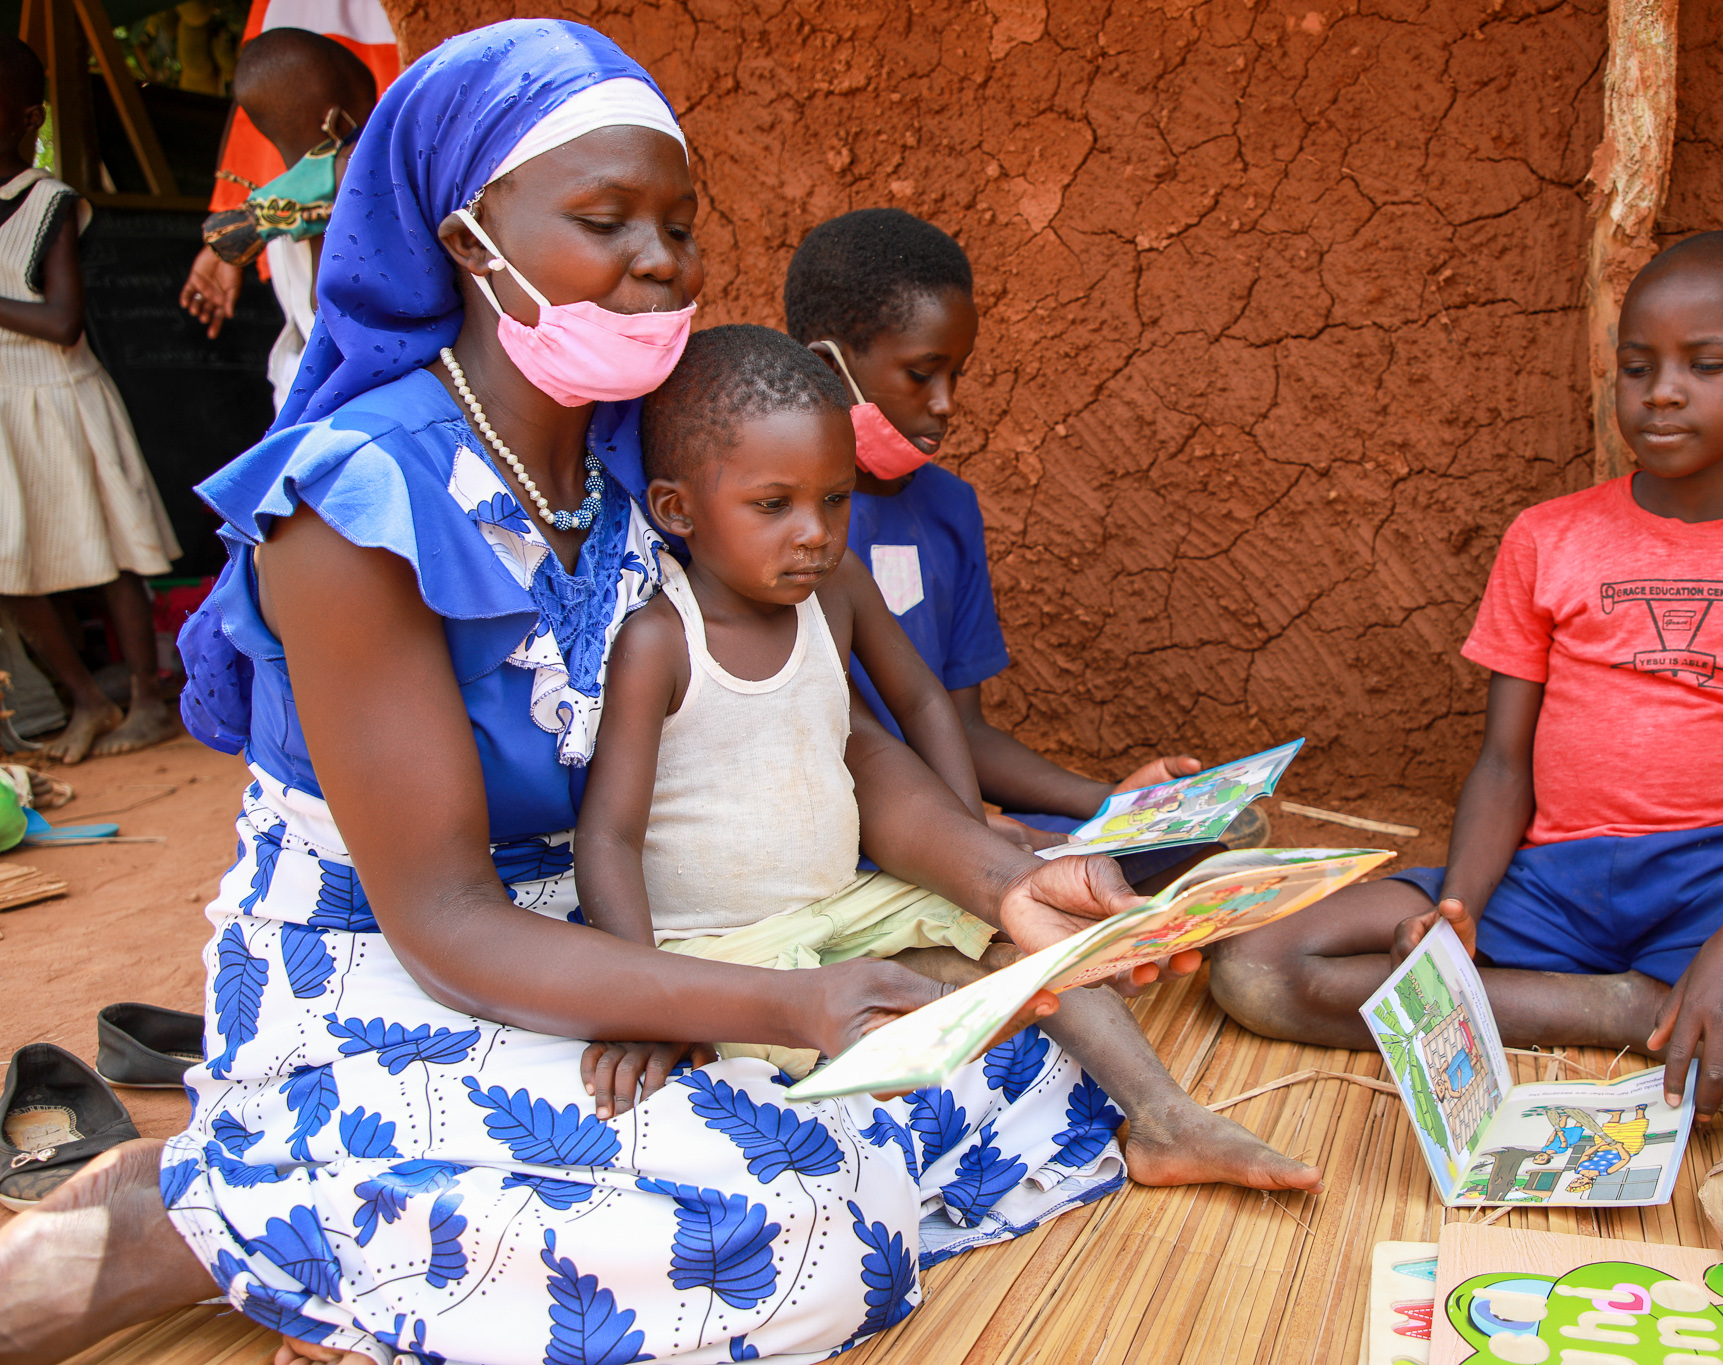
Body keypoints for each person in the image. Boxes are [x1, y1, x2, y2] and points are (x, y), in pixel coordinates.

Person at [0, 22, 1204, 1365]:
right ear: (468, 238)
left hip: (600, 927)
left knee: (1007, 1076)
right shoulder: (361, 503)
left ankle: (302, 1219)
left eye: (680, 225)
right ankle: (226, 1208)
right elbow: (451, 921)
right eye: (605, 218)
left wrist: (1005, 880)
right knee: (797, 1230)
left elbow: (845, 736)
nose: (658, 260)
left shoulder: (646, 473)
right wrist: (779, 1007)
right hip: (391, 978)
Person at [1209, 231, 1723, 1188]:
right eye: (1639, 366)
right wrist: (1460, 903)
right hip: (1549, 883)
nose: (1662, 391)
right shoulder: (1550, 538)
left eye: (1705, 365)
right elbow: (1506, 762)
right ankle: (1642, 1009)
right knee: (1259, 967)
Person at [569, 322, 1325, 1205]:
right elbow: (608, 839)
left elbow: (926, 702)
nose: (815, 533)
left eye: (836, 499)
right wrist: (647, 997)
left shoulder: (835, 591)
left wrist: (976, 843)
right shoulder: (660, 641)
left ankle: (1165, 1118)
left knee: (1031, 946)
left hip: (846, 902)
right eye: (774, 505)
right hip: (725, 949)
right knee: (942, 1002)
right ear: (676, 508)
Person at [784, 208, 1213, 866]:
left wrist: (1109, 803)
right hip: (839, 830)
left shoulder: (949, 509)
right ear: (828, 366)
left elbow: (963, 727)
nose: (946, 402)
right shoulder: (780, 528)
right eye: (921, 373)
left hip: (953, 808)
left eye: (958, 373)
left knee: (1169, 855)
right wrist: (970, 825)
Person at [0, 38, 182, 764]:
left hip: (58, 398)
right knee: (10, 567)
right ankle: (86, 697)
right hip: (7, 405)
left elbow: (61, 322)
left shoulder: (49, 202)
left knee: (110, 558)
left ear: (28, 116)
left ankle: (145, 698)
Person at [179, 28, 377, 409]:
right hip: (347, 402)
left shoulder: (273, 216)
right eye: (370, 115)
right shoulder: (332, 207)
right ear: (337, 123)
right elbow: (335, 318)